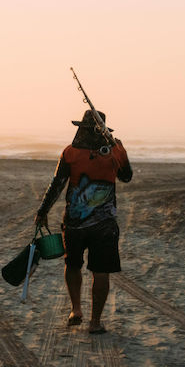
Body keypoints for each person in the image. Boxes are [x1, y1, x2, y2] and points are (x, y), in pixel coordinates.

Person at [34, 110, 132, 335]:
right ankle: (95, 322)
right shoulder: (113, 152)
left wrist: (43, 210)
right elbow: (127, 176)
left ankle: (75, 310)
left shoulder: (70, 152)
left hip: (75, 223)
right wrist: (120, 149)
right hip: (105, 225)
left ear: (81, 129)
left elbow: (57, 184)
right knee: (101, 271)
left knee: (73, 264)